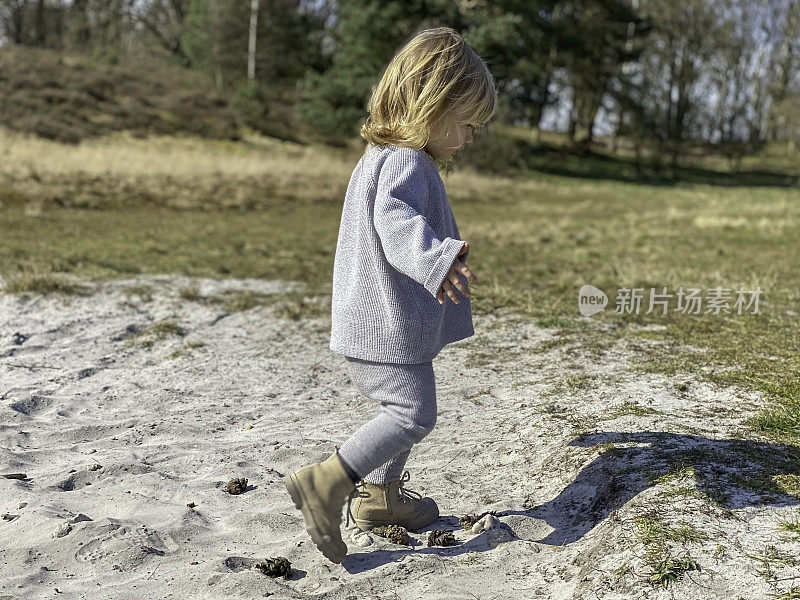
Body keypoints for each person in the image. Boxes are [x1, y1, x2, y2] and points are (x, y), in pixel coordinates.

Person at [284, 26, 497, 564]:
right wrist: (435, 259)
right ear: (434, 103)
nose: (469, 139)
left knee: (402, 405)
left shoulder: (383, 157)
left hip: (378, 324)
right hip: (384, 327)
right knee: (413, 413)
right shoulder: (406, 162)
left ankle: (379, 499)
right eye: (466, 123)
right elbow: (395, 222)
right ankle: (326, 483)